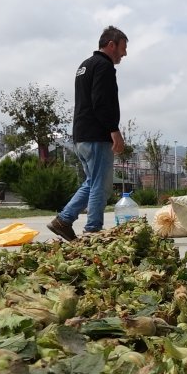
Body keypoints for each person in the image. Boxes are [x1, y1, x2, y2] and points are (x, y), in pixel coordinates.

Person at [48, 26, 128, 241]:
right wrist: (114, 130)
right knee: (100, 187)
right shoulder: (104, 66)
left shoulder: (85, 65)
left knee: (92, 182)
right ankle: (93, 231)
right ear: (111, 44)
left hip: (81, 135)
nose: (124, 53)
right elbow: (101, 102)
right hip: (96, 135)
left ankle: (63, 220)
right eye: (123, 48)